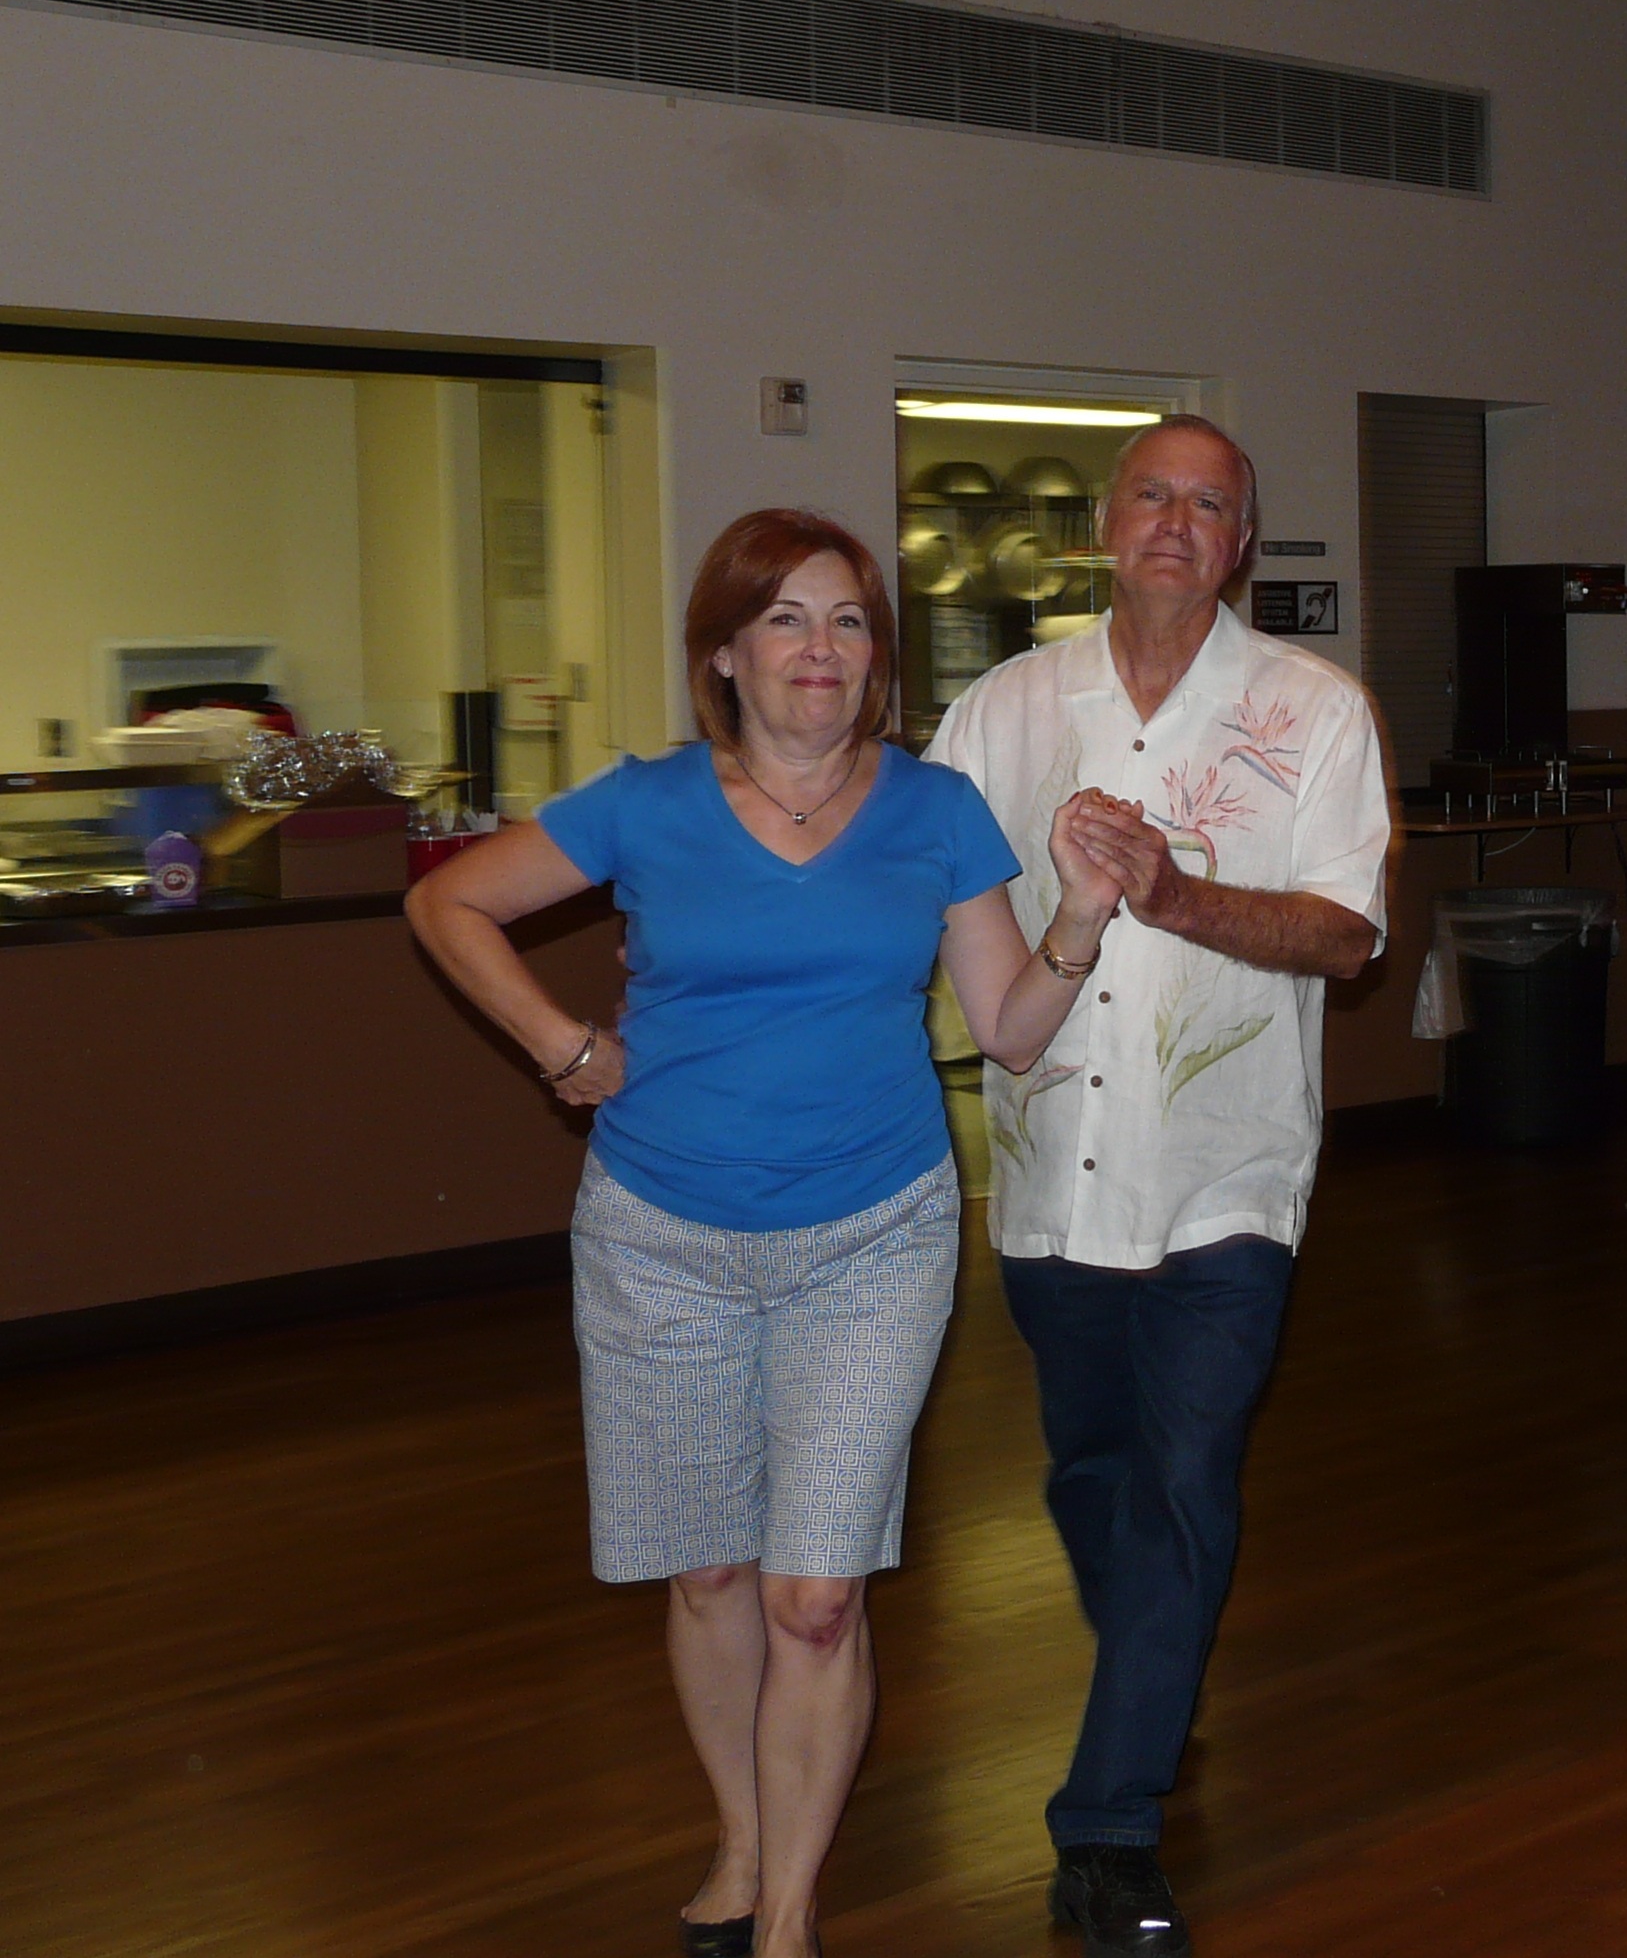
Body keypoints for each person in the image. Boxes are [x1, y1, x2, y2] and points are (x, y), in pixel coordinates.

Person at [408, 509, 1131, 1958]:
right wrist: (560, 1044)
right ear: (727, 652)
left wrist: (1080, 923)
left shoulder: (932, 811)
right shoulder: (649, 803)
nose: (822, 650)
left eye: (851, 622)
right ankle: (740, 1837)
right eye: (788, 620)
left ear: (879, 658)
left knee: (815, 1594)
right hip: (657, 1239)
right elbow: (448, 903)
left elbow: (1009, 1032)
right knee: (710, 1571)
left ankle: (789, 1917)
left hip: (870, 1235)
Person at [925, 415, 1387, 1958]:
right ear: (1106, 525)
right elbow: (922, 880)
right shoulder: (1005, 707)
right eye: (1154, 498)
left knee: (1185, 1489)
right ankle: (1154, 1664)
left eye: (1212, 506)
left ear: (1241, 543)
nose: (1179, 525)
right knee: (1089, 1471)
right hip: (1053, 1170)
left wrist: (1174, 895)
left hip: (1226, 1179)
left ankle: (1110, 1827)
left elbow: (1346, 938)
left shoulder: (1309, 708)